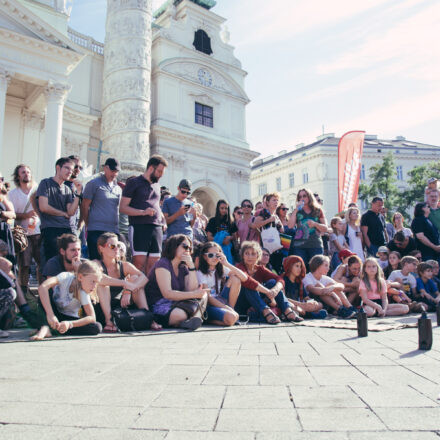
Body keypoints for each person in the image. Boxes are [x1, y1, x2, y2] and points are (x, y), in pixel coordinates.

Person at [94, 232, 160, 332]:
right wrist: (124, 283)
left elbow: (144, 278)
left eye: (118, 246)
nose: (116, 249)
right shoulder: (96, 263)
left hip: (120, 306)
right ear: (101, 248)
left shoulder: (124, 265)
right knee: (103, 285)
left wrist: (128, 290)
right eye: (112, 246)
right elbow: (100, 279)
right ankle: (109, 321)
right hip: (102, 308)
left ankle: (149, 318)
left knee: (134, 278)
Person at [145, 234, 209, 330]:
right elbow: (167, 294)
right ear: (174, 246)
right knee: (180, 315)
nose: (188, 250)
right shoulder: (163, 263)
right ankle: (187, 320)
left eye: (190, 248)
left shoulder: (183, 267)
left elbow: (190, 289)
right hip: (160, 305)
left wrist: (191, 266)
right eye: (185, 246)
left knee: (204, 294)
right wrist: (194, 295)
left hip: (178, 303)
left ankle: (195, 318)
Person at [120, 155, 168, 275]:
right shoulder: (133, 182)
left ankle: (148, 292)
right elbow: (123, 207)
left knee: (154, 263)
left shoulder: (157, 186)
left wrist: (163, 220)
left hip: (156, 227)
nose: (161, 174)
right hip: (139, 226)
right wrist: (143, 212)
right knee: (138, 263)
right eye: (160, 171)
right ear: (151, 168)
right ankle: (133, 291)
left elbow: (156, 204)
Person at [33, 260, 103, 340]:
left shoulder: (84, 293)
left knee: (96, 327)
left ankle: (52, 329)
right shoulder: (65, 277)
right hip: (54, 312)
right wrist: (50, 315)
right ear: (80, 277)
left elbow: (92, 317)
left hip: (68, 319)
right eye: (93, 281)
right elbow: (43, 287)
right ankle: (46, 327)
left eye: (96, 283)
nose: (94, 286)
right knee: (45, 294)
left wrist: (70, 324)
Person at [236, 241, 302, 323]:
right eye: (247, 253)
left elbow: (279, 279)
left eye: (253, 254)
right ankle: (266, 312)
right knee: (250, 286)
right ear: (243, 255)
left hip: (257, 302)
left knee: (272, 282)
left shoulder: (260, 269)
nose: (250, 256)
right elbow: (248, 281)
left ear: (258, 256)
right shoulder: (239, 267)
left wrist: (275, 290)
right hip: (243, 302)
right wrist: (267, 292)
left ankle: (287, 310)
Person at [36, 157, 82, 261]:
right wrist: (62, 213)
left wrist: (78, 193)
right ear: (58, 168)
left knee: (69, 263)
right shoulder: (45, 183)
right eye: (67, 168)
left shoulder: (68, 189)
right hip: (50, 229)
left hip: (66, 230)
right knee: (52, 263)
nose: (70, 172)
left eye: (72, 169)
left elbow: (70, 212)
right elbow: (43, 207)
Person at [196, 241, 247, 326]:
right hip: (208, 304)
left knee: (235, 279)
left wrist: (226, 263)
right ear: (205, 257)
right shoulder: (200, 272)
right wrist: (225, 307)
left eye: (217, 255)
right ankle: (207, 320)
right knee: (231, 318)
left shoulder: (221, 268)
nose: (214, 258)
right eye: (211, 255)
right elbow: (208, 297)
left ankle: (231, 309)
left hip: (220, 299)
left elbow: (244, 278)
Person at [82, 158, 122, 260]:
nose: (114, 174)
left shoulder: (118, 188)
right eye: (112, 170)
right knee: (96, 261)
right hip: (96, 231)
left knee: (112, 260)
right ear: (105, 168)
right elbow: (84, 206)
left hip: (113, 232)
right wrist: (88, 224)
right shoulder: (93, 184)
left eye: (116, 171)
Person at [8, 165, 42, 289]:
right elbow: (11, 214)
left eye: (28, 172)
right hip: (23, 235)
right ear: (18, 176)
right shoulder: (13, 194)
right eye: (23, 172)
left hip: (38, 232)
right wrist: (26, 215)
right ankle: (24, 292)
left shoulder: (38, 190)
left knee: (42, 264)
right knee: (24, 265)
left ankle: (42, 290)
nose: (26, 174)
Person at [287, 188, 328, 269]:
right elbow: (290, 226)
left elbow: (325, 228)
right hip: (300, 246)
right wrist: (295, 210)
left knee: (317, 269)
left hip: (315, 245)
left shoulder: (318, 210)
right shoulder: (297, 211)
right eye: (300, 197)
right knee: (301, 271)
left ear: (309, 197)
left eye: (304, 196)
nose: (302, 198)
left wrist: (315, 224)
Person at [282, 255, 326, 319]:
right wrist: (300, 304)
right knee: (295, 307)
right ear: (289, 266)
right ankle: (311, 315)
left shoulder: (299, 282)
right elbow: (283, 298)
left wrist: (312, 302)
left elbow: (306, 297)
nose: (299, 269)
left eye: (300, 267)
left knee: (319, 304)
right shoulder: (283, 280)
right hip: (289, 304)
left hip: (300, 305)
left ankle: (309, 312)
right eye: (297, 266)